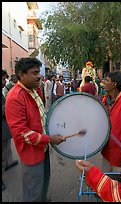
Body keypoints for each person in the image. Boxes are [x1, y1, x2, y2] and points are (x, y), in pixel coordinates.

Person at [5, 57, 66, 202]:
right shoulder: (15, 97)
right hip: (31, 152)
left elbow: (41, 116)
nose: (39, 76)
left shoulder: (35, 89)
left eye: (39, 72)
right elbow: (21, 133)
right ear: (21, 74)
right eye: (35, 73)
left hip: (42, 148)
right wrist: (50, 139)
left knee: (43, 182)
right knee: (33, 189)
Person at [2, 70, 18, 191]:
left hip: (4, 128)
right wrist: (11, 105)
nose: (4, 82)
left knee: (6, 149)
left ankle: (8, 163)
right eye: (3, 79)